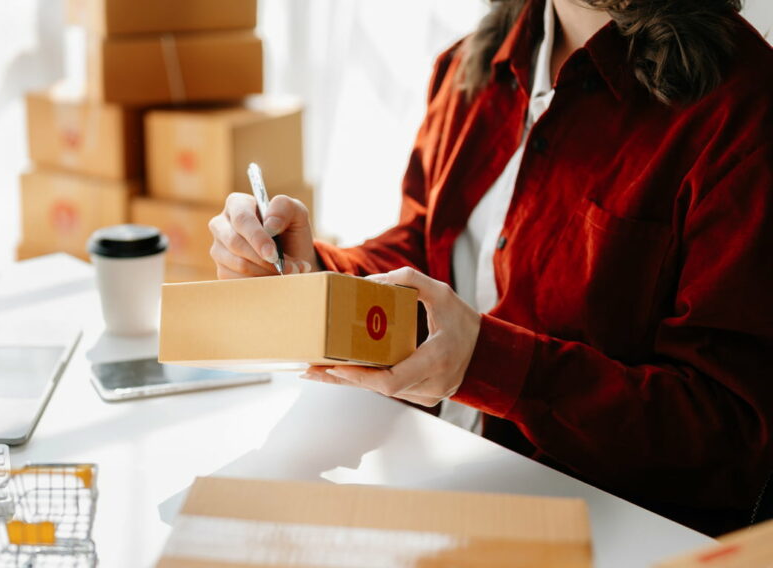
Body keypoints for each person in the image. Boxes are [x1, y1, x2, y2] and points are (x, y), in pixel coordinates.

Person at [208, 0, 773, 536]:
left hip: (607, 529)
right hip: (438, 479)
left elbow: (731, 438)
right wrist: (310, 272)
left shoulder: (744, 110)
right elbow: (424, 251)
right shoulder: (468, 67)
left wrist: (490, 363)